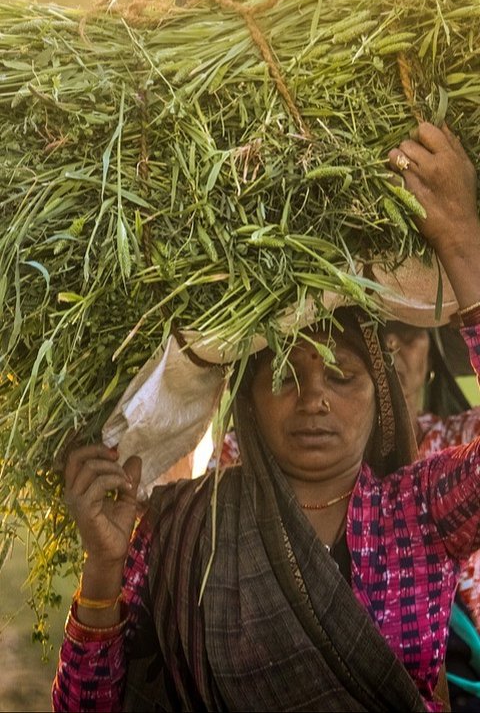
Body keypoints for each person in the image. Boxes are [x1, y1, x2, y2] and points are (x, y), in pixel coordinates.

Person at [52, 121, 480, 712]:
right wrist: (102, 567)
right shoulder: (174, 530)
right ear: (246, 401)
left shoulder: (418, 512)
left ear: (381, 394)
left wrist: (460, 239)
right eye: (283, 375)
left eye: (341, 374)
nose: (314, 399)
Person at [383, 320, 480, 710]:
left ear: (431, 355)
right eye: (374, 336)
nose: (390, 352)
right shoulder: (257, 456)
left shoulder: (459, 439)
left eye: (408, 335)